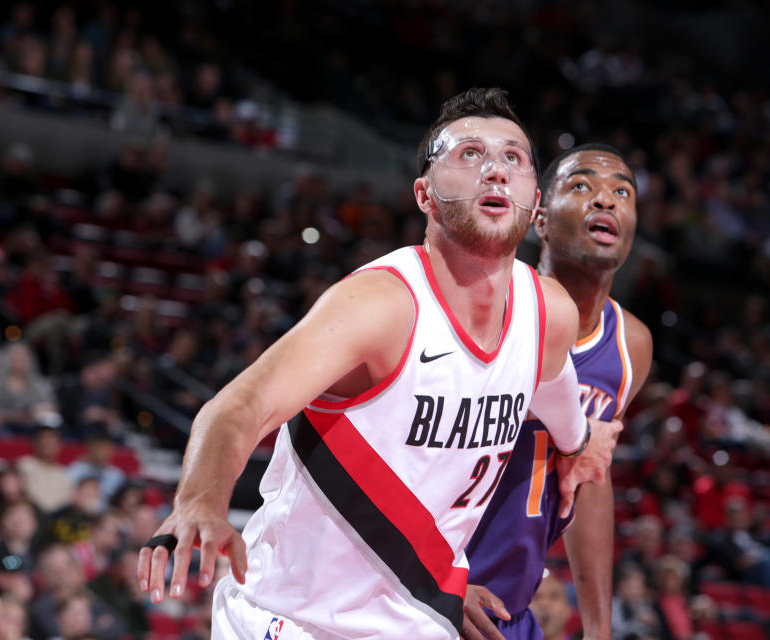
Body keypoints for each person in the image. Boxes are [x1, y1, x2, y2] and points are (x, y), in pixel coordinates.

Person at [138, 88, 623, 639]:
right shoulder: (381, 306)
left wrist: (584, 446)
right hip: (292, 620)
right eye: (469, 154)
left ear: (534, 200)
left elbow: (570, 428)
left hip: (418, 621)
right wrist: (200, 501)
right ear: (425, 194)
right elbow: (238, 406)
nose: (495, 170)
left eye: (513, 157)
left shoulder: (547, 315)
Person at [461, 143, 652, 640]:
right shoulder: (489, 307)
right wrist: (433, 576)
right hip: (422, 593)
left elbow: (588, 475)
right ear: (539, 218)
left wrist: (598, 628)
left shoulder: (630, 345)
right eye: (583, 186)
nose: (606, 201)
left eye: (622, 192)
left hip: (510, 613)